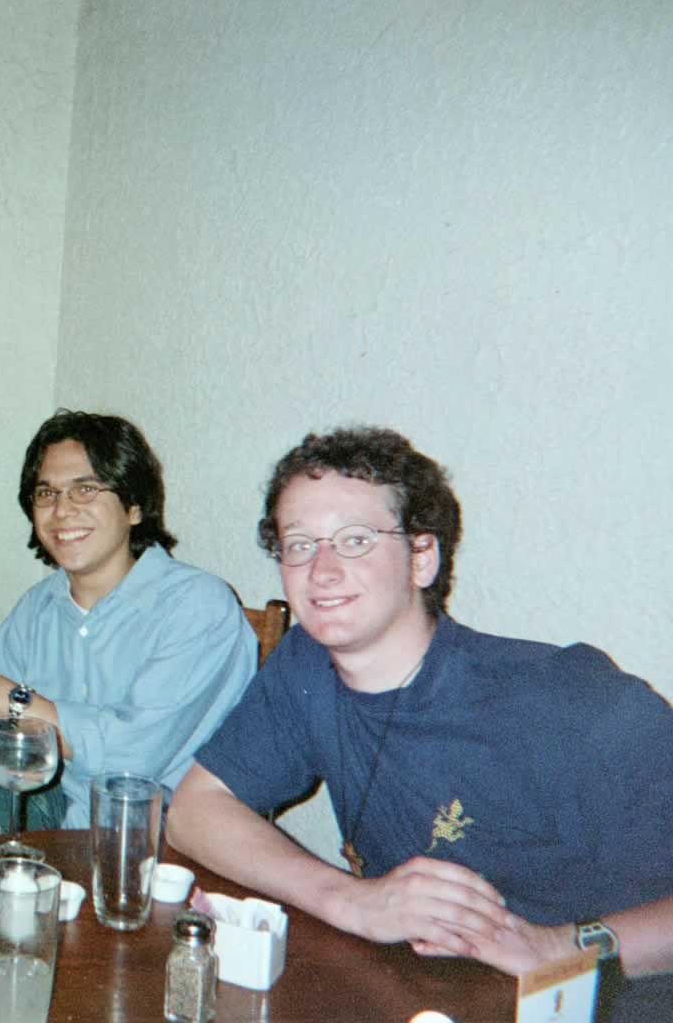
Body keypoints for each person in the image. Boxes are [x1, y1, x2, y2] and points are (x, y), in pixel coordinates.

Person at [167, 426, 673, 1022]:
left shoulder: (565, 701)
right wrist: (353, 901)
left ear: (422, 558)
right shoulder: (309, 663)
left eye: (354, 540)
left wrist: (562, 947)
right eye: (299, 544)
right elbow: (194, 809)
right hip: (440, 999)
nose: (321, 571)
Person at [0, 409, 257, 839]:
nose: (62, 510)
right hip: (45, 816)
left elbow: (128, 764)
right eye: (46, 494)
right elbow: (10, 745)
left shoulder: (197, 606)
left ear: (135, 506)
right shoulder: (35, 609)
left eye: (85, 489)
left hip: (142, 838)